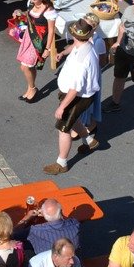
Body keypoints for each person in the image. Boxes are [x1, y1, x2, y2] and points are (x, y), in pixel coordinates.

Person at [42, 20, 100, 175]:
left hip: (76, 96)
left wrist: (62, 107)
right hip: (76, 94)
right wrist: (63, 53)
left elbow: (75, 89)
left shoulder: (81, 61)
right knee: (73, 120)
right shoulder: (86, 44)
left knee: (63, 128)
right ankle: (89, 140)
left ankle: (62, 163)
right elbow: (74, 46)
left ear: (74, 35)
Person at [16, 0, 56, 102]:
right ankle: (30, 88)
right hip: (29, 36)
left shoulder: (49, 10)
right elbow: (29, 16)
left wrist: (47, 49)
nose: (31, 0)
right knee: (28, 66)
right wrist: (20, 13)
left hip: (38, 41)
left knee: (25, 66)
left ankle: (32, 88)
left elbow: (51, 31)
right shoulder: (32, 3)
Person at [15, 199, 81, 258]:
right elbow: (67, 219)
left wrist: (27, 217)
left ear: (43, 214)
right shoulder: (74, 224)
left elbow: (13, 234)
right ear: (60, 210)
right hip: (71, 259)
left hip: (45, 263)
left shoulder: (35, 230)